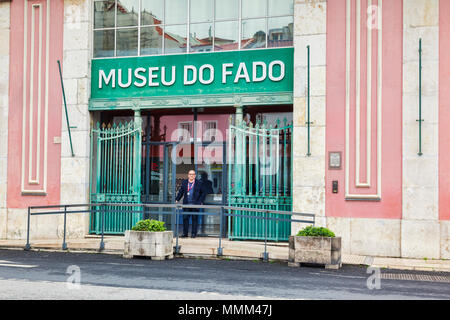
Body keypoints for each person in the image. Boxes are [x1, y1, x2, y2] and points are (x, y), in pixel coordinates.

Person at [175, 170, 205, 238]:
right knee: (185, 219)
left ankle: (193, 234)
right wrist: (177, 199)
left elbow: (203, 193)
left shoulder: (199, 183)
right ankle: (185, 233)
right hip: (186, 204)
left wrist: (200, 201)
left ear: (195, 175)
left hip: (195, 204)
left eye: (193, 174)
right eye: (190, 174)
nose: (191, 175)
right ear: (188, 175)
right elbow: (181, 192)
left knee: (194, 219)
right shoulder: (185, 182)